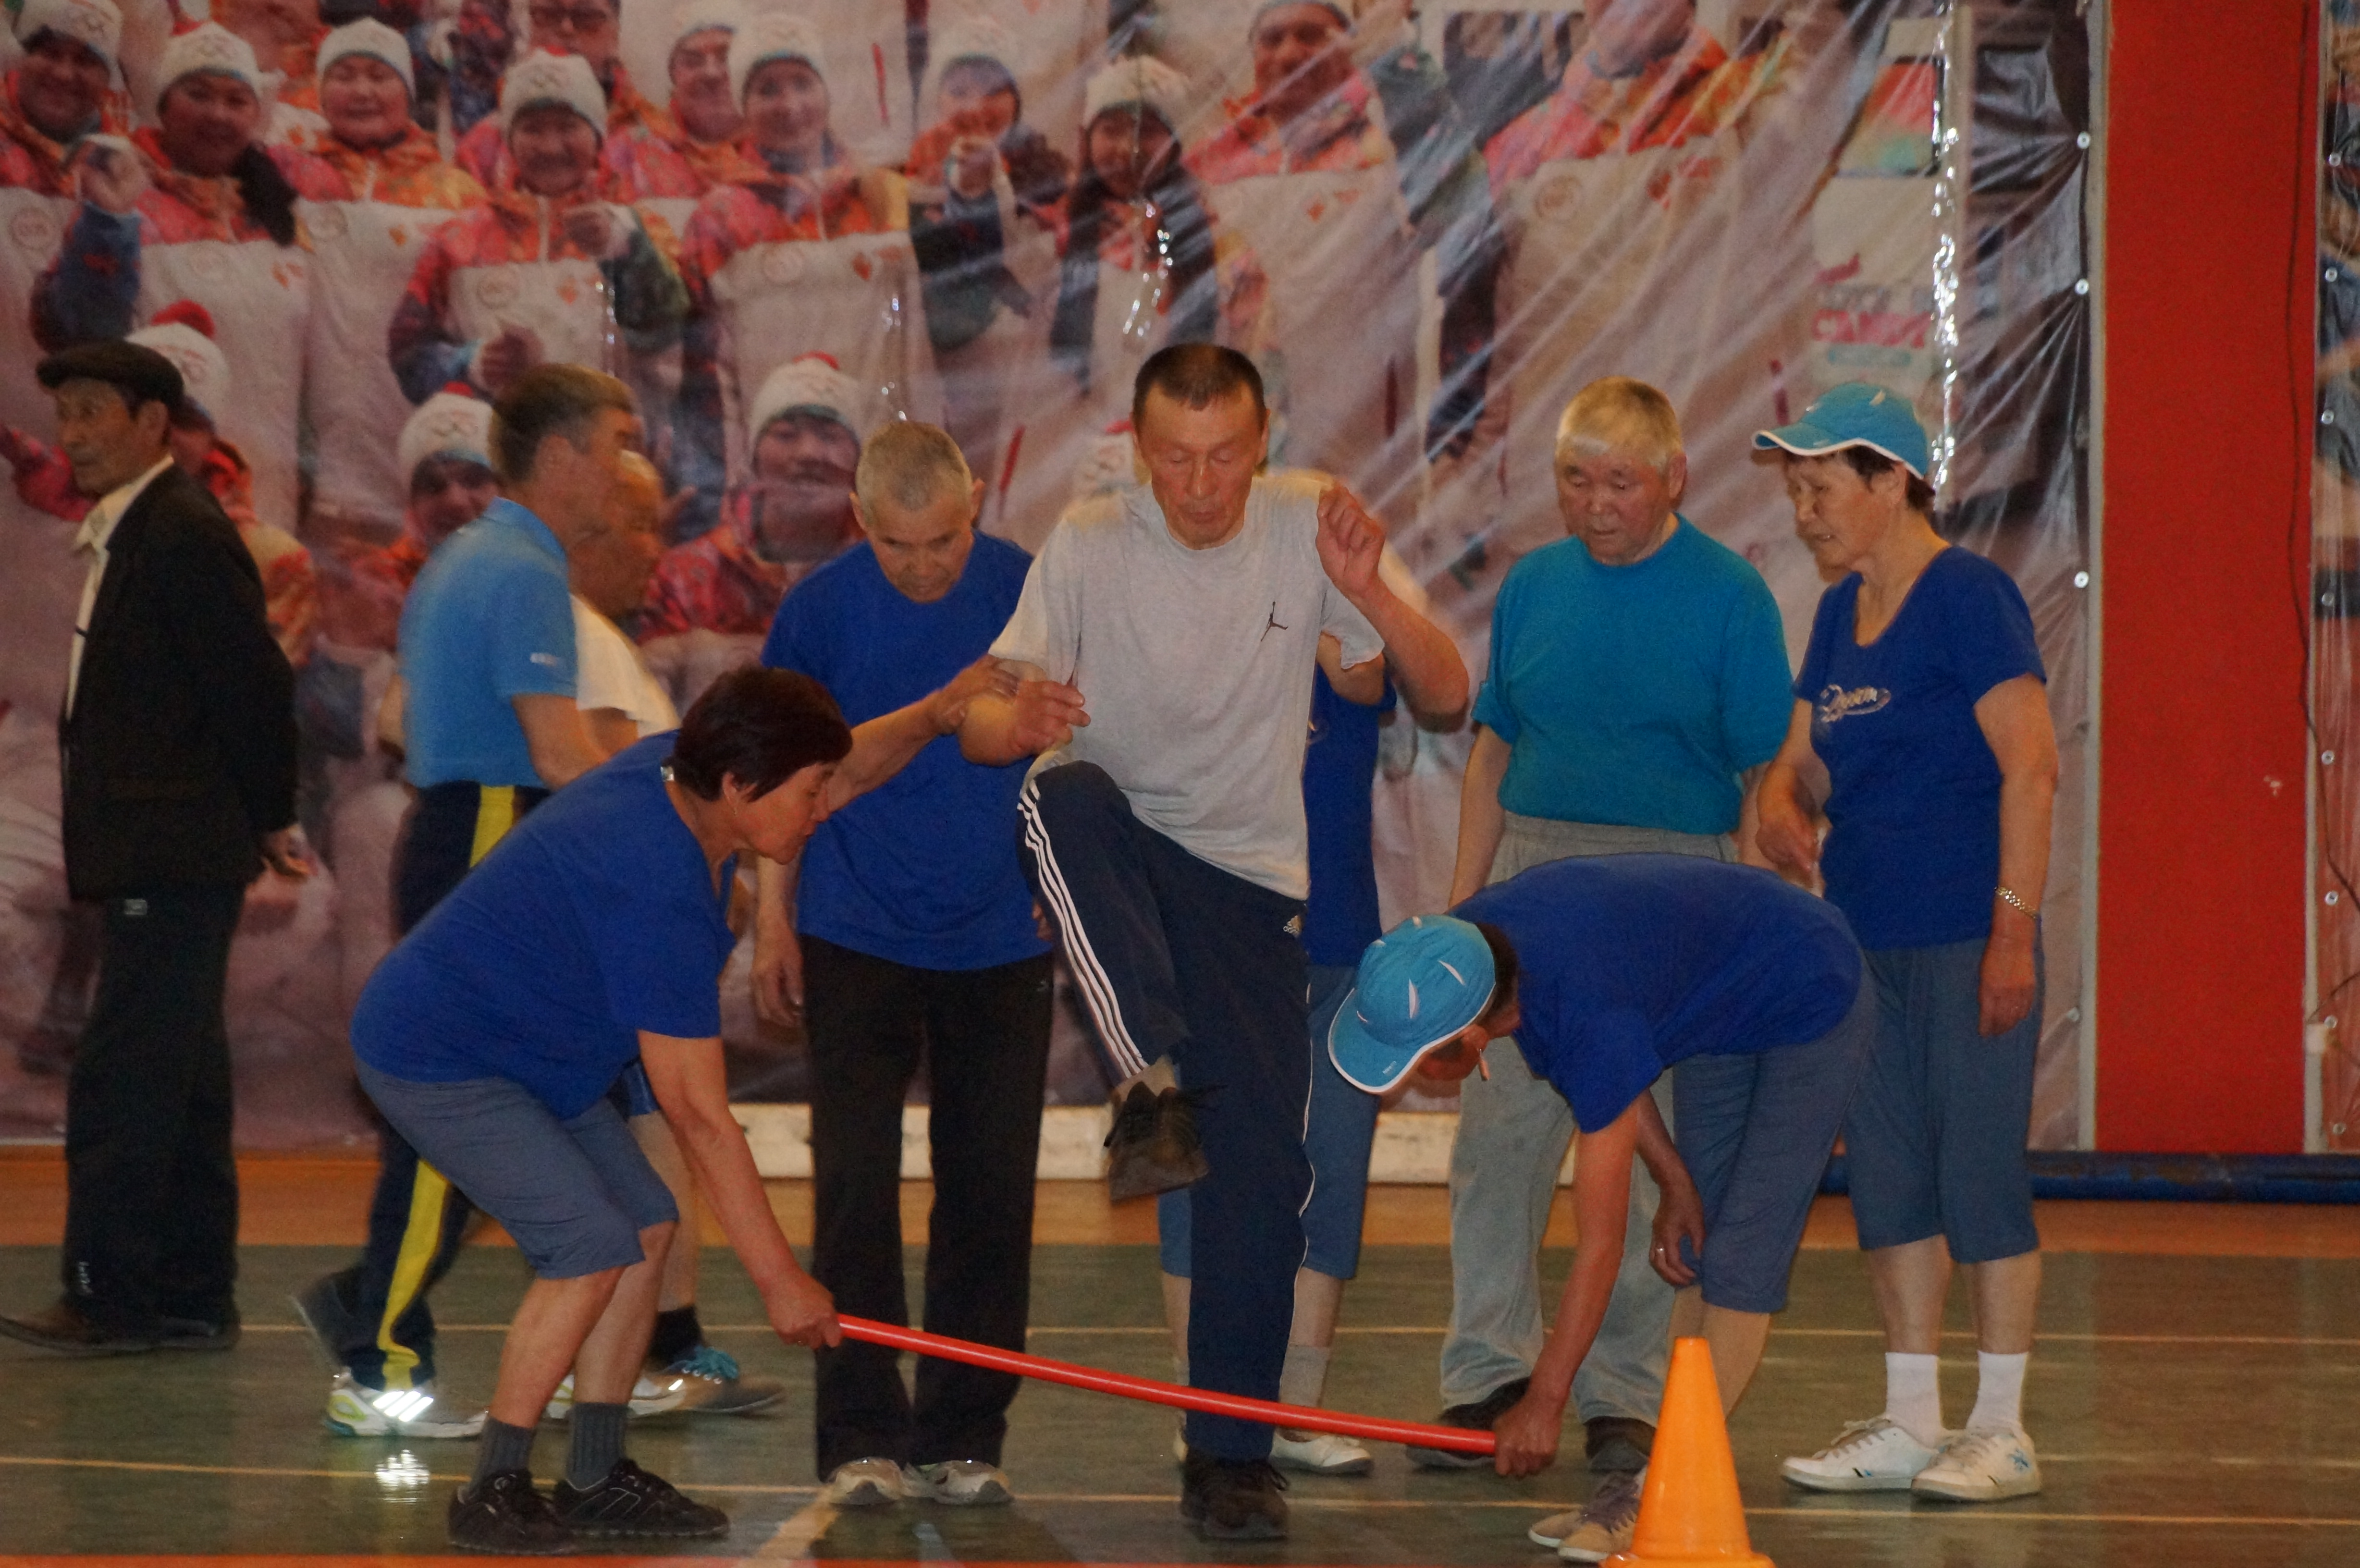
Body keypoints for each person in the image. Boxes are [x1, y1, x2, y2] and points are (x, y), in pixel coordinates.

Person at [958, 343, 1467, 1539]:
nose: (1199, 484)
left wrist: (1375, 595)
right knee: (1054, 789)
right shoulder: (1087, 540)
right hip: (1116, 843)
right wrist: (1013, 714)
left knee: (1261, 1178)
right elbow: (984, 725)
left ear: (1262, 444)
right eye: (1176, 459)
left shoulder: (1305, 527)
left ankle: (1230, 1454)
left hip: (1248, 888)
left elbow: (1442, 696)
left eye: (1224, 456)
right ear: (1141, 450)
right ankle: (1149, 1076)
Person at [346, 669, 856, 1550]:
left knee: (646, 1222)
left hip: (541, 1054)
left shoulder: (682, 773)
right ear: (741, 785)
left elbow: (854, 760)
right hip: (442, 1055)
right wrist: (780, 1278)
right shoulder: (651, 873)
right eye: (812, 790)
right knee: (586, 1240)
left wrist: (932, 714)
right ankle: (494, 1489)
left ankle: (592, 1474)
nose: (822, 810)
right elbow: (698, 1111)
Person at [1422, 376, 1793, 1556]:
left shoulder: (1731, 599)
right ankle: (1485, 1367)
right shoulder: (1530, 588)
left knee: (1639, 1152)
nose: (1594, 506)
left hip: (1671, 889)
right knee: (1499, 1138)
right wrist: (1461, 916)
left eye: (1618, 483)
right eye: (1574, 481)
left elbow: (1756, 782)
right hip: (1530, 882)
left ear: (1673, 477)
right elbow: (1492, 751)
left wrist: (1738, 933)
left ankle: (1622, 1393)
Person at [1326, 853, 1876, 1557]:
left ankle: (1654, 1494)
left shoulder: (1568, 995)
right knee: (1694, 1245)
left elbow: (1602, 1243)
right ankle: (1655, 1482)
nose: (1419, 1075)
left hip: (1811, 989)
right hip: (1721, 1005)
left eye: (1420, 1058)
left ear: (1468, 1040)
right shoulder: (1469, 952)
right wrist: (1675, 1181)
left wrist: (1546, 1400)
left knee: (1741, 1261)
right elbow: (1612, 1072)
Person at [292, 366, 622, 1440]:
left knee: (506, 1104)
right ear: (563, 455)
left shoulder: (464, 557)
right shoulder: (523, 569)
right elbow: (560, 753)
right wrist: (673, 797)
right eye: (613, 447)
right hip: (487, 831)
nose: (622, 472)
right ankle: (376, 1352)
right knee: (457, 1112)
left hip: (467, 830)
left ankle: (380, 1315)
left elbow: (410, 721)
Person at [1754, 383, 2059, 1504]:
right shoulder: (1836, 617)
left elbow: (2030, 766)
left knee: (1975, 1177)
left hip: (1963, 938)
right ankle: (1911, 1420)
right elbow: (1801, 757)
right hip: (1862, 945)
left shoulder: (1968, 597)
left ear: (1891, 482)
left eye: (1820, 488)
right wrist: (1781, 797)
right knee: (1887, 1184)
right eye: (1791, 491)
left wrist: (2010, 934)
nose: (1802, 513)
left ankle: (2001, 1429)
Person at [752, 421, 1050, 1507]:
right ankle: (860, 1436)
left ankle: (966, 1433)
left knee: (989, 1192)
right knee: (852, 1192)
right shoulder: (819, 610)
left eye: (945, 540)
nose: (926, 565)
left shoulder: (1029, 588)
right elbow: (786, 778)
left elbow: (1075, 752)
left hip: (998, 935)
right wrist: (769, 922)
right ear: (860, 524)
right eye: (900, 546)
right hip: (854, 929)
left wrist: (1065, 888)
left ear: (977, 498)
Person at [0, 340, 303, 1353]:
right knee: (181, 1074)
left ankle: (108, 1293)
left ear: (154, 426)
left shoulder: (177, 532)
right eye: (65, 415)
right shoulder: (138, 532)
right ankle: (188, 1291)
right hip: (163, 850)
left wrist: (271, 817)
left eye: (95, 413)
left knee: (125, 1074)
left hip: (170, 855)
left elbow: (250, 688)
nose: (73, 435)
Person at [1155, 546, 1465, 1480]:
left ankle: (1294, 1408)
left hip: (1333, 948)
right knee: (1189, 1170)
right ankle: (1199, 1402)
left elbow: (1428, 686)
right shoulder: (1192, 652)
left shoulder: (1352, 665)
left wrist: (1357, 594)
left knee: (1328, 1166)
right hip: (1204, 946)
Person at [565, 450, 785, 1418]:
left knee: (654, 1161)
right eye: (638, 525)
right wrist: (784, 1281)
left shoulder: (608, 644)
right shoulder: (567, 636)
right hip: (596, 954)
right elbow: (620, 783)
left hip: (623, 947)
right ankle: (380, 1330)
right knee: (624, 1177)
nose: (655, 548)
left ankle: (668, 1341)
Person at [1457, 0, 1784, 560]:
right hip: (1557, 499)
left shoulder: (1751, 104)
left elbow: (1828, 42)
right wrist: (1476, 474)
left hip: (1704, 493)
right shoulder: (1523, 145)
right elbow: (1505, 336)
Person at [1186, 0, 1498, 516]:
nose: (1289, 53)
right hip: (1235, 470)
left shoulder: (1389, 152)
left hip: (1360, 475)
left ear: (1349, 49)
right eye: (1273, 38)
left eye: (1311, 35)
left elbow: (1462, 208)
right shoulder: (1214, 169)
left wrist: (1395, 59)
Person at [32, 22, 339, 529]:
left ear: (256, 115)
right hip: (154, 489)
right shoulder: (121, 193)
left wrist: (311, 463)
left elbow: (307, 363)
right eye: (198, 94)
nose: (218, 114)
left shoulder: (279, 215)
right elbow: (77, 332)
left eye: (236, 100)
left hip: (266, 490)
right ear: (164, 105)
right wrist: (108, 225)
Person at [673, 11, 937, 521]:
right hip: (771, 469)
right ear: (742, 104)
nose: (789, 105)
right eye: (767, 89)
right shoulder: (720, 215)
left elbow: (915, 342)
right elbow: (703, 366)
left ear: (827, 91)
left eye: (802, 83)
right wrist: (722, 482)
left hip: (875, 465)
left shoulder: (880, 195)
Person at [387, 50, 690, 408]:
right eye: (532, 128)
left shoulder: (637, 231)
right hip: (494, 452)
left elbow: (666, 336)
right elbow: (408, 352)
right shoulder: (459, 239)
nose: (550, 146)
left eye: (568, 127)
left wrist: (623, 249)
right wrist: (475, 363)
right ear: (509, 140)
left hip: (606, 449)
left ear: (597, 137)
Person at [298, 18, 488, 537]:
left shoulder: (458, 194)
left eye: (379, 76)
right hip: (321, 450)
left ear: (407, 90)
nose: (362, 90)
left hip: (420, 435)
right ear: (320, 91)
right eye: (344, 74)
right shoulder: (288, 179)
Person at [901, 16, 1067, 513]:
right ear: (938, 99)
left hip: (1020, 366)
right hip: (938, 365)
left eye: (993, 89)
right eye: (959, 89)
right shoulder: (908, 176)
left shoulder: (1049, 172)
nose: (975, 105)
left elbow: (1034, 264)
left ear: (1016, 99)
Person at [638, 353, 867, 709]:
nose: (809, 453)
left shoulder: (884, 571)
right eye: (786, 434)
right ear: (754, 456)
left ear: (859, 462)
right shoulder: (685, 576)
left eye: (830, 436)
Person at [452, 0, 660, 194]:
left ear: (615, 34)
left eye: (587, 17)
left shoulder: (662, 142)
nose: (566, 29)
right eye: (548, 14)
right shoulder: (484, 145)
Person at [603, 0, 752, 240]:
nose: (711, 73)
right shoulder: (628, 154)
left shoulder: (786, 155)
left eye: (727, 57)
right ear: (674, 75)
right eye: (693, 61)